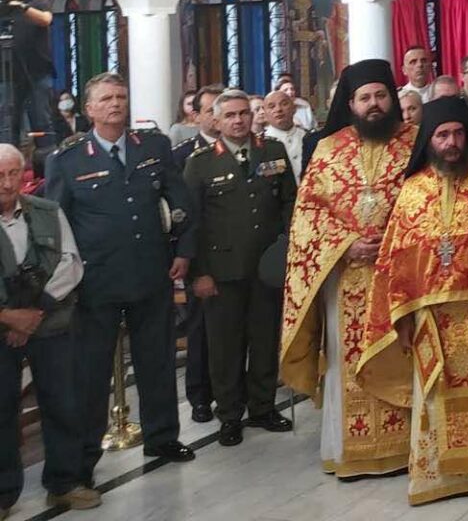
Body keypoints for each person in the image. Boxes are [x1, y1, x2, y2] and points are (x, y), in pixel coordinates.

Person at [355, 96, 468, 505]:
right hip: (431, 314)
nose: (452, 143)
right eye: (442, 135)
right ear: (428, 140)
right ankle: (438, 477)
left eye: (458, 133)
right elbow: (396, 256)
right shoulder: (412, 189)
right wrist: (402, 308)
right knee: (436, 394)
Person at [45, 74, 196, 477]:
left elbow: (180, 202)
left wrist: (183, 251)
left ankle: (162, 437)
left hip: (151, 272)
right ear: (89, 109)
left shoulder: (153, 146)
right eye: (106, 98)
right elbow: (55, 225)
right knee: (91, 374)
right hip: (96, 282)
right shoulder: (67, 159)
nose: (116, 104)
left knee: (157, 361)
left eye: (121, 97)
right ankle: (84, 459)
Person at [280, 60, 416, 478]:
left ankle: (407, 447)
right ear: (351, 103)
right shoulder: (328, 148)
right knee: (347, 358)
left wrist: (395, 242)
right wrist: (346, 245)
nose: (373, 104)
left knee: (405, 352)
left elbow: (431, 197)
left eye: (381, 95)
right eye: (364, 97)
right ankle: (352, 452)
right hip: (346, 276)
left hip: (402, 273)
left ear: (392, 98)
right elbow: (308, 214)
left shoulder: (415, 141)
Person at [183, 90, 295, 446]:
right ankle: (230, 415)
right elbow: (192, 223)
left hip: (266, 266)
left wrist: (288, 253)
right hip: (221, 270)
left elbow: (289, 203)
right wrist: (199, 273)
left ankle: (263, 407)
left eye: (244, 113)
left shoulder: (272, 151)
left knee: (265, 340)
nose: (238, 120)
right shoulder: (201, 163)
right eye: (230, 115)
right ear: (216, 121)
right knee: (225, 348)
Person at [0, 144, 97, 514]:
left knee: (62, 402)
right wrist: (9, 317)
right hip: (2, 326)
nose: (7, 183)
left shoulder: (47, 210)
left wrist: (32, 313)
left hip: (49, 321)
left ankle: (64, 482)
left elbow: (70, 264)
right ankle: (3, 492)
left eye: (13, 174)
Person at [173, 85, 223, 421]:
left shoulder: (244, 149)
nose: (217, 118)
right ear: (197, 116)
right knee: (200, 330)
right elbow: (181, 214)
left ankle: (233, 392)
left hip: (234, 253)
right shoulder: (182, 155)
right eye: (210, 111)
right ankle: (201, 396)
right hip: (200, 255)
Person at [2, 0, 55, 146]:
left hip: (37, 73)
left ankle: (46, 159)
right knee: (8, 124)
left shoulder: (37, 4)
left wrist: (22, 7)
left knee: (42, 121)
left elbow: (46, 19)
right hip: (7, 77)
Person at [264, 88, 308, 177]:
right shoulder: (261, 143)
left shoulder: (308, 137)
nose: (278, 109)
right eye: (272, 106)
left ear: (294, 108)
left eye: (284, 104)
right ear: (265, 113)